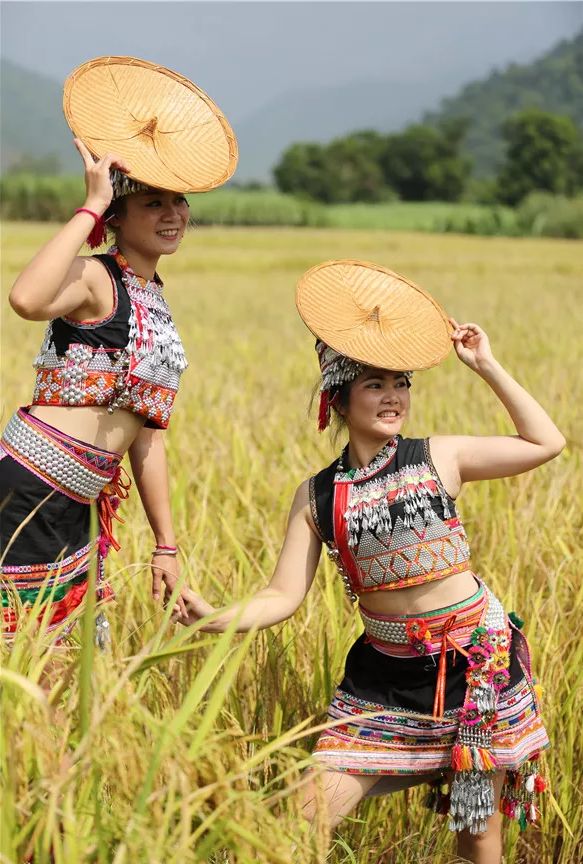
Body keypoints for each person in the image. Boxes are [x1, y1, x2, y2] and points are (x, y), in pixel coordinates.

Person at [175, 261, 564, 864]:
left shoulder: (440, 457)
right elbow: (282, 595)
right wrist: (216, 616)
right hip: (384, 680)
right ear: (338, 396)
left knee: (476, 834)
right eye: (375, 384)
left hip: (475, 668)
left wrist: (486, 364)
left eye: (401, 383)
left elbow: (545, 442)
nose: (393, 396)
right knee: (305, 813)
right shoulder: (318, 494)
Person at [0, 141, 194, 643]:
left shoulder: (153, 296)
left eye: (178, 201)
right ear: (116, 217)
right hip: (32, 489)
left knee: (77, 655)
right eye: (153, 203)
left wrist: (166, 545)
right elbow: (25, 298)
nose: (172, 214)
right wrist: (89, 205)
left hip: (80, 503)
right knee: (27, 652)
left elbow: (148, 434)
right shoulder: (95, 276)